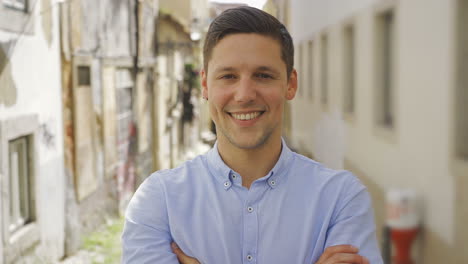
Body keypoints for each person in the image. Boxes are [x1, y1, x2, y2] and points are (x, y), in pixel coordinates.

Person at [122, 6, 383, 264]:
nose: (245, 94)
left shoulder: (341, 199)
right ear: (205, 85)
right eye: (228, 76)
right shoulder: (159, 200)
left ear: (290, 84)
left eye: (263, 75)